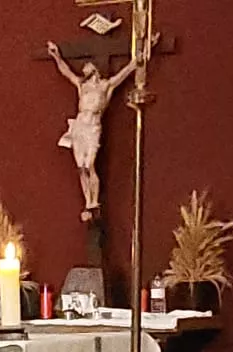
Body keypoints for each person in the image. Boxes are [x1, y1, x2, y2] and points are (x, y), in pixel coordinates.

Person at [47, 37, 154, 222]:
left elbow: (128, 69)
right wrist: (57, 56)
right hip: (80, 126)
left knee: (89, 165)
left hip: (93, 127)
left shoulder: (106, 86)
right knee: (81, 168)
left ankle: (94, 202)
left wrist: (144, 50)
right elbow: (66, 72)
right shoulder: (82, 86)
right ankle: (87, 202)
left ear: (94, 69)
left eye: (86, 66)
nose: (83, 68)